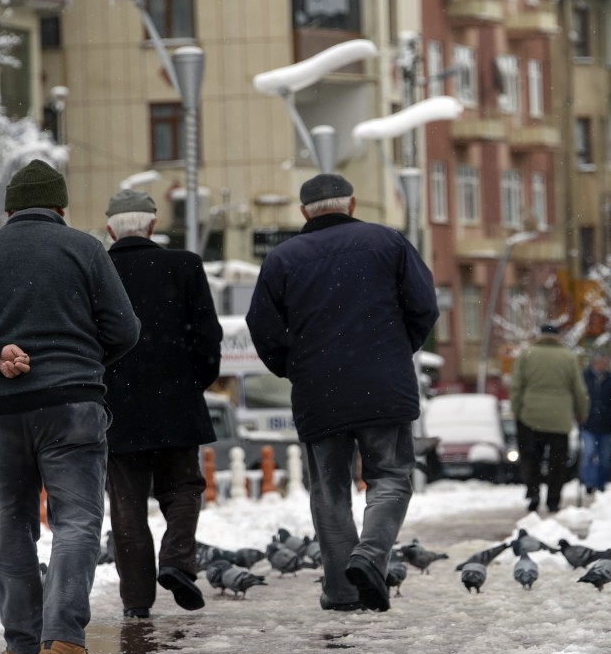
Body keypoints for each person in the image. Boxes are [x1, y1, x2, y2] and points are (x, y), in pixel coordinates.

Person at [0, 160, 140, 654]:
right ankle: (64, 638)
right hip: (71, 408)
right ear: (61, 208)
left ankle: (21, 646)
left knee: (12, 525)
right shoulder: (85, 249)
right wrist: (83, 363)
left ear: (9, 209)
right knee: (76, 521)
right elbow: (125, 329)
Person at [246, 173, 438, 613]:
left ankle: (341, 590)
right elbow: (424, 306)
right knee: (390, 477)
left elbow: (264, 329)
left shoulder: (282, 259)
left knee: (329, 490)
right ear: (352, 204)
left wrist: (296, 367)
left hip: (319, 391)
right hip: (383, 386)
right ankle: (371, 555)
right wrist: (395, 351)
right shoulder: (388, 242)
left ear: (303, 213)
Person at [102, 189, 222, 620]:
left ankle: (136, 600)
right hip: (176, 402)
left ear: (109, 228)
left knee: (126, 503)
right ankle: (177, 559)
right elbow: (208, 339)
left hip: (116, 409)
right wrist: (191, 384)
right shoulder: (184, 265)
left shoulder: (99, 269)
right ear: (153, 226)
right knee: (183, 488)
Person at [510, 323, 590, 513]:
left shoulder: (526, 355)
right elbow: (579, 390)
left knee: (531, 458)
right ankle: (553, 499)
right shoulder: (568, 357)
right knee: (557, 461)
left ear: (540, 335)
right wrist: (581, 412)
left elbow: (516, 387)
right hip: (559, 418)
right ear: (558, 337)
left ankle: (534, 492)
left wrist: (517, 411)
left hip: (530, 415)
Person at [579, 351, 611, 495]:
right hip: (588, 424)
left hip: (606, 425)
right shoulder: (584, 378)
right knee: (589, 453)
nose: (605, 365)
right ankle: (589, 482)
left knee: (604, 457)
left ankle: (601, 483)